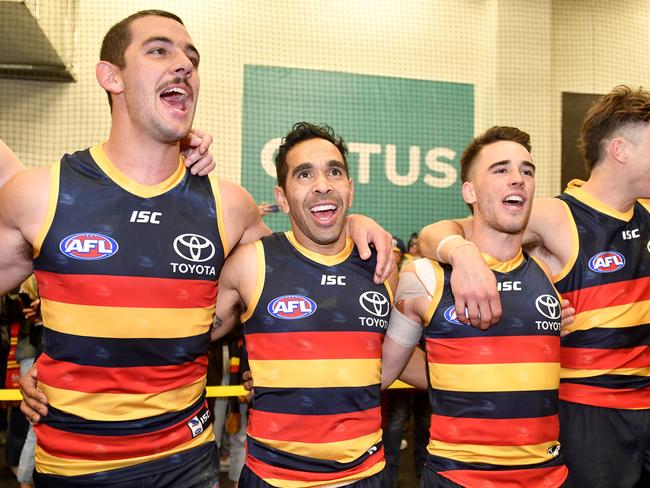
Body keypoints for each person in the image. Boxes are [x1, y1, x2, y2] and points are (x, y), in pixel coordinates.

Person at [1, 10, 393, 487]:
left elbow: (298, 269)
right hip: (73, 465)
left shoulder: (229, 207)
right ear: (111, 76)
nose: (184, 64)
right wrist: (37, 366)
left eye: (192, 56)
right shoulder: (39, 194)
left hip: (187, 463)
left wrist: (355, 219)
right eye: (159, 50)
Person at [419, 87, 650, 487]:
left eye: (526, 169)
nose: (518, 179)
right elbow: (440, 231)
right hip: (588, 410)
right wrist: (463, 255)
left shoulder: (646, 211)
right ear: (620, 150)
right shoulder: (555, 214)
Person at [211, 122, 399, 487]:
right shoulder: (250, 264)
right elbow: (189, 336)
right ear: (281, 198)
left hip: (367, 476)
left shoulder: (381, 266)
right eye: (304, 174)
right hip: (273, 479)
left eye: (334, 171)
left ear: (350, 188)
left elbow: (391, 361)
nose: (323, 185)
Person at [384, 126, 570, 487]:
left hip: (548, 476)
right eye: (500, 170)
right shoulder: (423, 276)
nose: (517, 179)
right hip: (459, 478)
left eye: (527, 171)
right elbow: (381, 369)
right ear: (469, 190)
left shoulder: (548, 269)